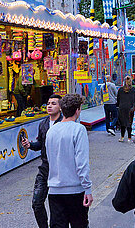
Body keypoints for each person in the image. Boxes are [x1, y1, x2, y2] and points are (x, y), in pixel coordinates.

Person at [46, 94, 93, 227]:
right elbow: (82, 163)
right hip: (74, 190)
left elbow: (50, 158)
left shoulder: (52, 130)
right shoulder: (78, 129)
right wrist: (87, 188)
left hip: (55, 189)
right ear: (77, 110)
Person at [21, 95, 63, 228]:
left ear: (60, 107)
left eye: (53, 103)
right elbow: (41, 144)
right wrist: (30, 145)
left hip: (60, 169)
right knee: (37, 203)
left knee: (57, 206)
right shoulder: (43, 123)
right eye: (48, 103)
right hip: (45, 168)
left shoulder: (64, 124)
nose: (49, 106)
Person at [117, 76, 135, 143]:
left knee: (122, 123)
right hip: (130, 107)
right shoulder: (133, 90)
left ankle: (122, 137)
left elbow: (118, 99)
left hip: (122, 107)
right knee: (129, 123)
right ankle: (129, 138)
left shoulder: (120, 90)